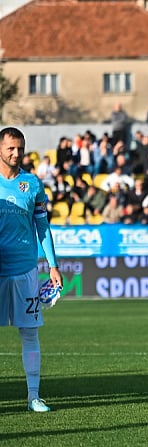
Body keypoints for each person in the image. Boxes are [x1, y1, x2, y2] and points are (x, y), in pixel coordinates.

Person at [0, 127, 63, 412]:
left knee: (29, 333)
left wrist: (53, 264)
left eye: (20, 149)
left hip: (25, 269)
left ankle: (33, 397)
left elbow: (42, 227)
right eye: (11, 148)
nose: (16, 154)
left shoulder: (32, 183)